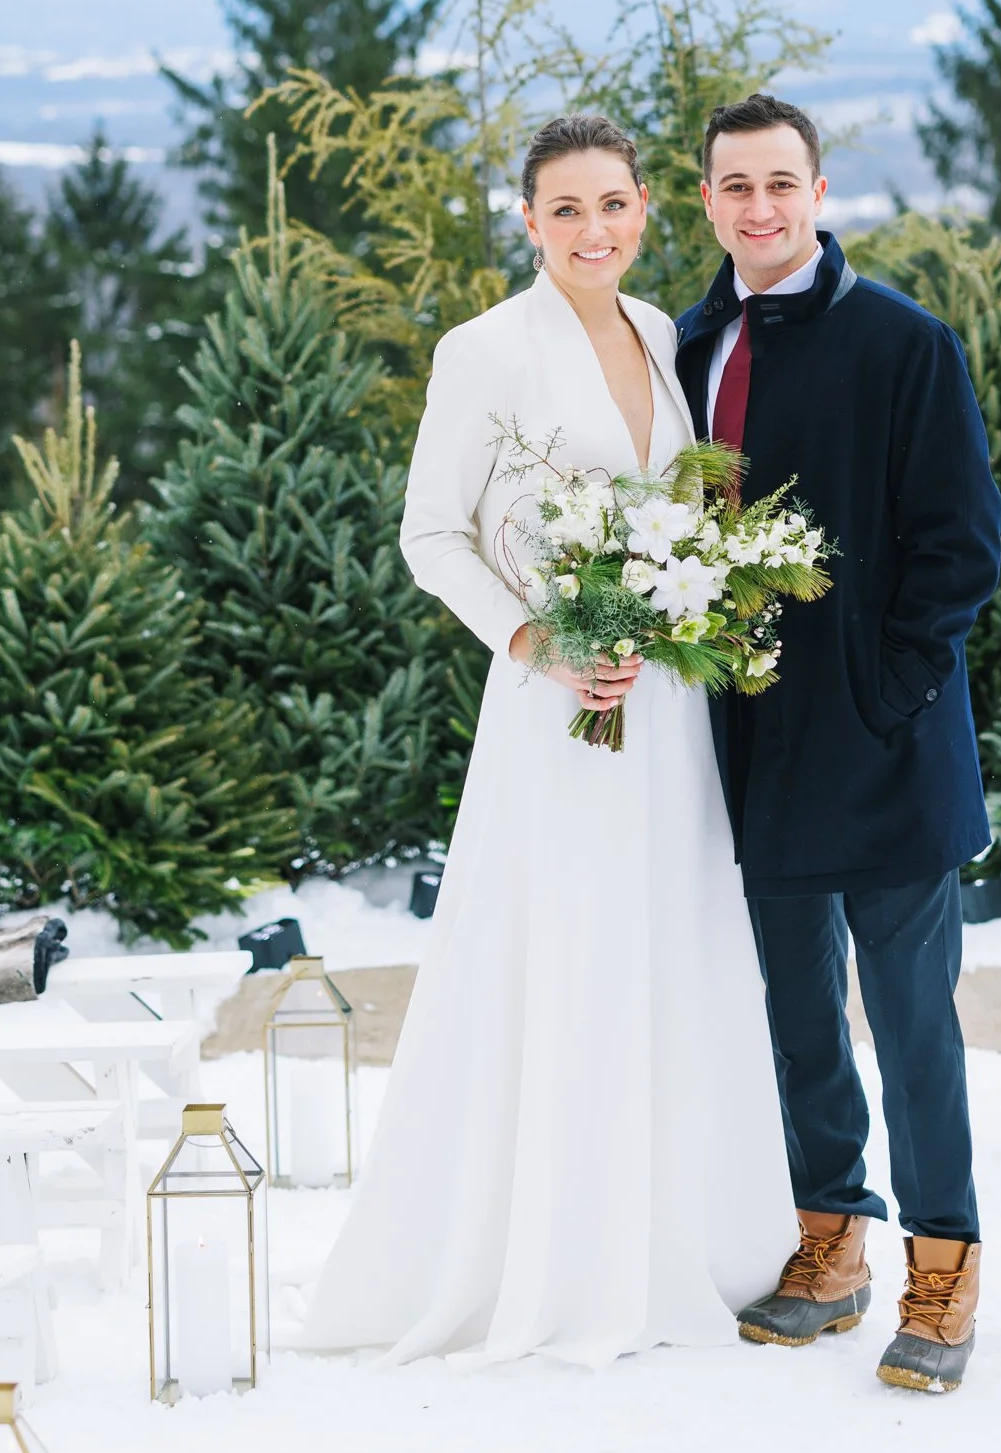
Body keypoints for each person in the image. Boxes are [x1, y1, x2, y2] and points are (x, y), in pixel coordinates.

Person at [295, 111, 793, 1368]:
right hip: (557, 707)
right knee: (565, 951)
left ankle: (680, 1232)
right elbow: (430, 534)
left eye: (613, 205)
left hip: (665, 709)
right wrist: (540, 642)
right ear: (528, 220)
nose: (593, 230)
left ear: (644, 210)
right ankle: (554, 1256)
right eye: (564, 209)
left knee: (666, 943)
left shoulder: (663, 331)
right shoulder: (486, 350)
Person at [674, 93, 1001, 1395]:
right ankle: (829, 1243)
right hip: (745, 745)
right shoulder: (687, 343)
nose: (757, 207)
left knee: (912, 1017)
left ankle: (944, 1263)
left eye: (780, 184)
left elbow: (960, 542)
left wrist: (890, 690)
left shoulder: (900, 343)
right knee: (796, 1014)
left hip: (882, 745)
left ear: (817, 194)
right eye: (733, 186)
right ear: (705, 202)